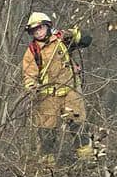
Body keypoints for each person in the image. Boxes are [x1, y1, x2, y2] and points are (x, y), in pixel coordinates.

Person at [19, 10, 92, 161]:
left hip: (70, 91)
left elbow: (85, 39)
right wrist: (31, 86)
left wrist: (75, 34)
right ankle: (48, 166)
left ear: (47, 26)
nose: (38, 32)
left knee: (78, 126)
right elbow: (29, 73)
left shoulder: (62, 40)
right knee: (47, 132)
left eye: (40, 28)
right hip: (47, 96)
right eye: (34, 30)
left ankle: (87, 160)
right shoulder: (32, 51)